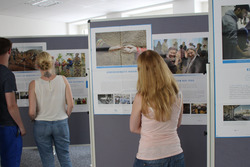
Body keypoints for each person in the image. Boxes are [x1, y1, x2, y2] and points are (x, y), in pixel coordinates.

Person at [130, 50, 185, 167]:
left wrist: (152, 132)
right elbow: (177, 124)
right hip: (176, 154)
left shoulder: (141, 96)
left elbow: (133, 128)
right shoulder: (177, 93)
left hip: (150, 156)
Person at [28, 51, 74, 167]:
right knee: (65, 157)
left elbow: (32, 112)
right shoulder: (63, 79)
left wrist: (33, 118)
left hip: (41, 125)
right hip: (61, 123)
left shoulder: (33, 84)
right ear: (52, 63)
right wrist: (64, 116)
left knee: (47, 159)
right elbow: (71, 105)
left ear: (37, 65)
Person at [0, 37, 26, 167]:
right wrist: (21, 126)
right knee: (10, 162)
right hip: (7, 126)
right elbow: (11, 105)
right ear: (9, 51)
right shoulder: (7, 75)